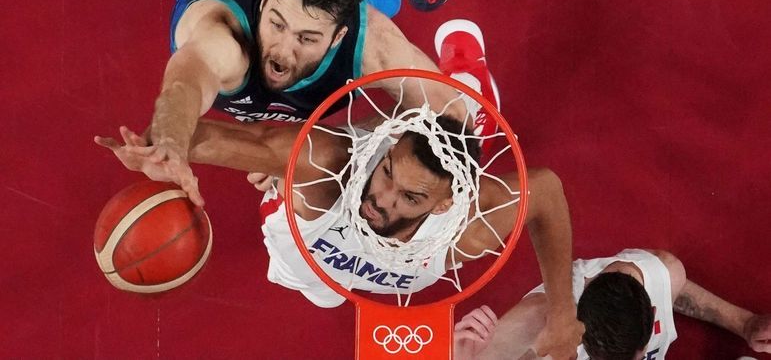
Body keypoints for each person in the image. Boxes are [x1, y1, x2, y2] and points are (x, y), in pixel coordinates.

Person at [96, 114, 584, 360]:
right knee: (279, 160)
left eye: (410, 199)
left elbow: (547, 190)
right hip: (294, 244)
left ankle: (465, 78)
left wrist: (563, 315)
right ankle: (446, 89)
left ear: (443, 205)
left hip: (362, 278)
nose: (384, 198)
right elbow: (225, 139)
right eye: (388, 172)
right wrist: (165, 145)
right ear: (389, 151)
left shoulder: (463, 229)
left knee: (452, 107)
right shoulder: (326, 171)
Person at [149, 0, 492, 206]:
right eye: (276, 25)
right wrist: (169, 143)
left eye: (306, 39)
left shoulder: (371, 41)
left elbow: (452, 115)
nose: (283, 50)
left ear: (340, 36)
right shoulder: (222, 38)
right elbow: (184, 86)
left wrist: (325, 146)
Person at [453, 249, 771, 359]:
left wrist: (744, 323)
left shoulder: (661, 274)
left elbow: (677, 290)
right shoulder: (533, 323)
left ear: (651, 310)